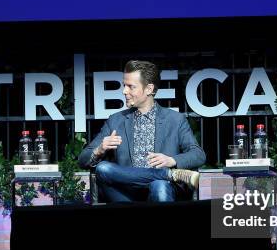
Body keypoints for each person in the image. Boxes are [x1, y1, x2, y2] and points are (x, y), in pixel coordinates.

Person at [79, 60, 206, 202]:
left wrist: (171, 160)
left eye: (131, 87)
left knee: (159, 185)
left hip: (161, 189)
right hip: (125, 193)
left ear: (149, 89)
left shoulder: (175, 120)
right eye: (124, 86)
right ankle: (168, 174)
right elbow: (82, 159)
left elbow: (198, 154)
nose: (124, 91)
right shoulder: (116, 120)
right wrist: (99, 149)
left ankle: (164, 177)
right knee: (103, 169)